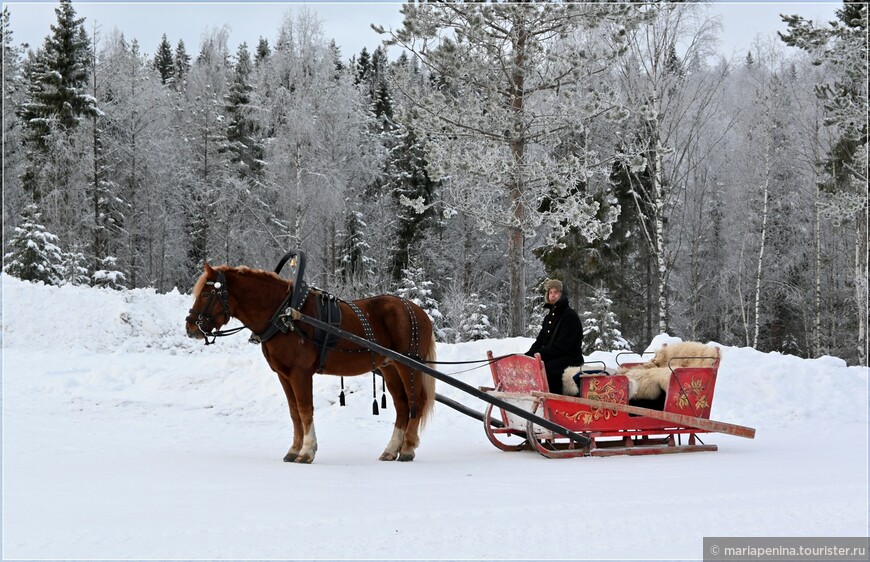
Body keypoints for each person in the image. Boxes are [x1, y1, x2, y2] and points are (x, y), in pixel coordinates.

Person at [526, 279, 584, 395]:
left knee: (549, 368)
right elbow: (540, 340)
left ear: (562, 295)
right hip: (554, 356)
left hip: (570, 358)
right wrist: (528, 354)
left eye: (556, 292)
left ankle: (553, 402)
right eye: (550, 292)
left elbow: (563, 346)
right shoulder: (548, 318)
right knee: (531, 365)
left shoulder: (570, 316)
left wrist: (540, 354)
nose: (552, 295)